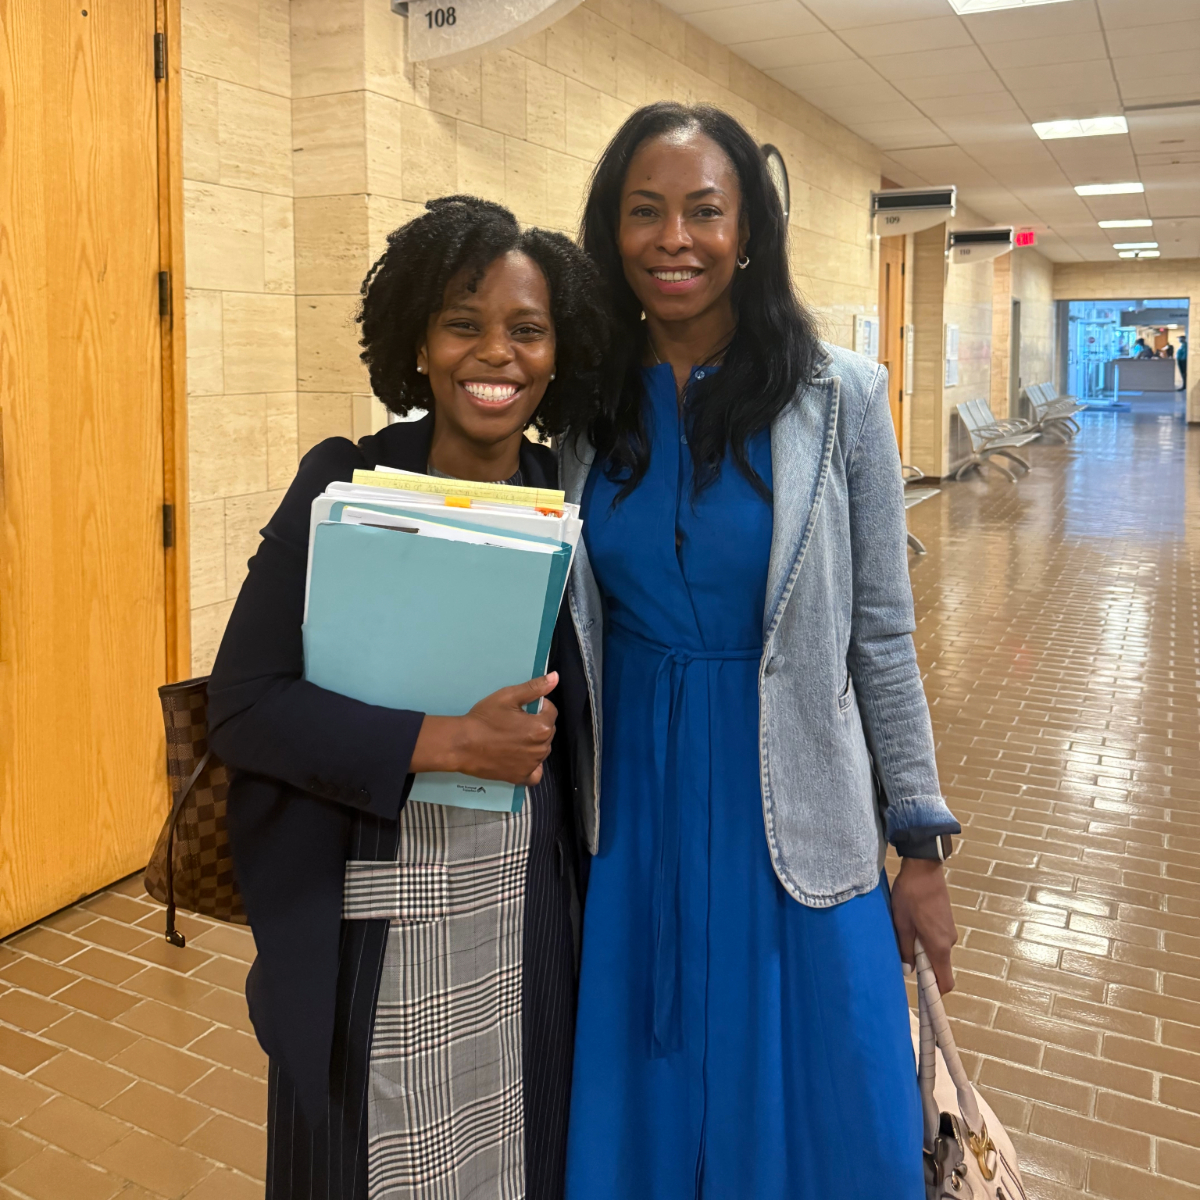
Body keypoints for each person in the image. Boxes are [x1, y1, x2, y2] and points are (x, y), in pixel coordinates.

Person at [558, 103, 961, 1199]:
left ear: (750, 231)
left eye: (704, 211)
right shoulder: (584, 404)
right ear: (612, 228)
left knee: (828, 1081)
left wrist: (918, 842)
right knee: (644, 1070)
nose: (674, 240)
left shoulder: (839, 397)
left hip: (795, 789)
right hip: (633, 794)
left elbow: (880, 630)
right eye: (645, 212)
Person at [206, 196, 607, 1200]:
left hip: (531, 916)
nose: (496, 356)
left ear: (558, 353)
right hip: (368, 918)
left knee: (523, 1156)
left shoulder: (574, 497)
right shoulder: (343, 484)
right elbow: (244, 706)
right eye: (462, 323)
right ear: (419, 345)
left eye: (527, 330)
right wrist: (445, 741)